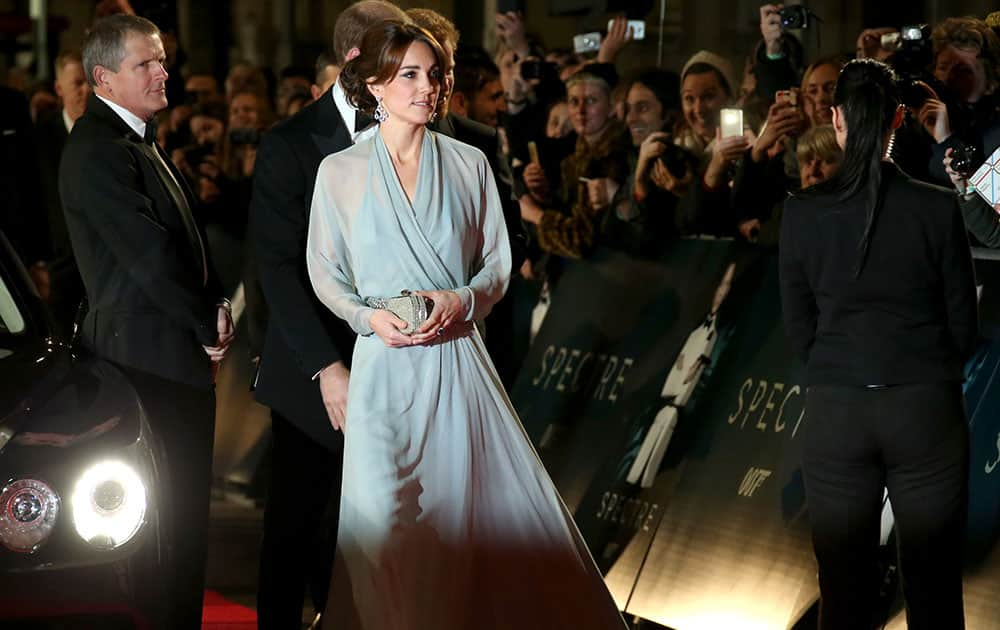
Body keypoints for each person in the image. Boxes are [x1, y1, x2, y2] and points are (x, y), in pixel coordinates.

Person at [306, 21, 627, 629]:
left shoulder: (469, 163)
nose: (426, 88)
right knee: (380, 527)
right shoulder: (338, 173)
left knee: (451, 531)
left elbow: (499, 268)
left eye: (435, 75)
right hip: (381, 368)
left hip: (455, 364)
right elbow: (325, 273)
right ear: (374, 84)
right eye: (409, 75)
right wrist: (367, 317)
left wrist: (461, 300)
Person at [779, 59, 978, 629]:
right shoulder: (937, 206)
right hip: (924, 409)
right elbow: (961, 323)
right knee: (934, 585)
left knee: (843, 590)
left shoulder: (801, 214)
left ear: (835, 119)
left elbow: (800, 330)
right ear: (898, 119)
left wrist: (843, 368)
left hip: (837, 410)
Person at [58, 14, 233, 629]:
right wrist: (206, 319)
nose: (164, 72)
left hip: (166, 353)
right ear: (103, 77)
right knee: (163, 530)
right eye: (146, 64)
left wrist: (212, 308)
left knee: (182, 522)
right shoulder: (99, 150)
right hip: (145, 361)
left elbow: (181, 246)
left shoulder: (136, 139)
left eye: (162, 60)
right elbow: (148, 255)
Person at [247, 2, 409, 627]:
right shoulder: (290, 145)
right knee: (298, 525)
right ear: (355, 60)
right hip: (315, 375)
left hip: (398, 363)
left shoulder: (417, 132)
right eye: (391, 54)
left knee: (385, 529)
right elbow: (278, 270)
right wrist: (327, 368)